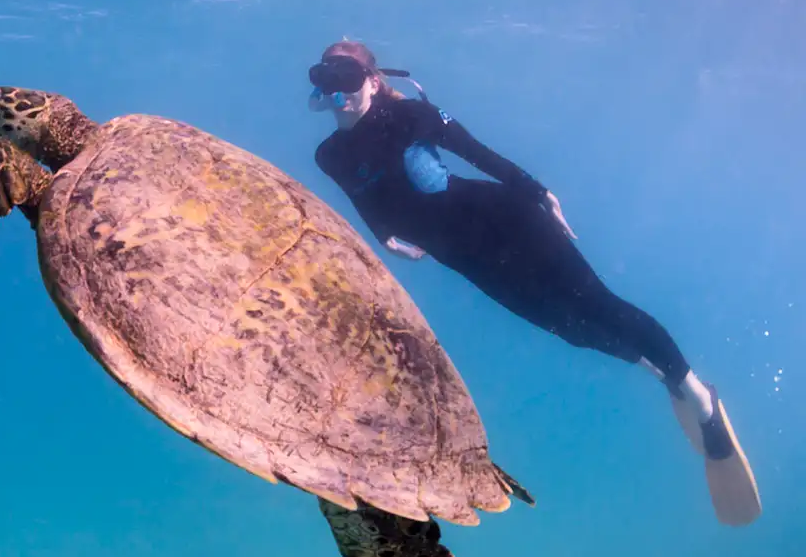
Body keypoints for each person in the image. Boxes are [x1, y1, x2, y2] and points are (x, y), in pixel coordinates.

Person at [306, 39, 761, 527]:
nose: (339, 92)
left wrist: (541, 194)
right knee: (570, 329)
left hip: (508, 221)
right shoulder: (327, 155)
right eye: (326, 79)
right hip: (463, 257)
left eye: (348, 79)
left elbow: (480, 155)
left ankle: (698, 397)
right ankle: (658, 369)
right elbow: (364, 199)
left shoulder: (411, 115)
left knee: (599, 306)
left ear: (373, 81)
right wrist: (384, 237)